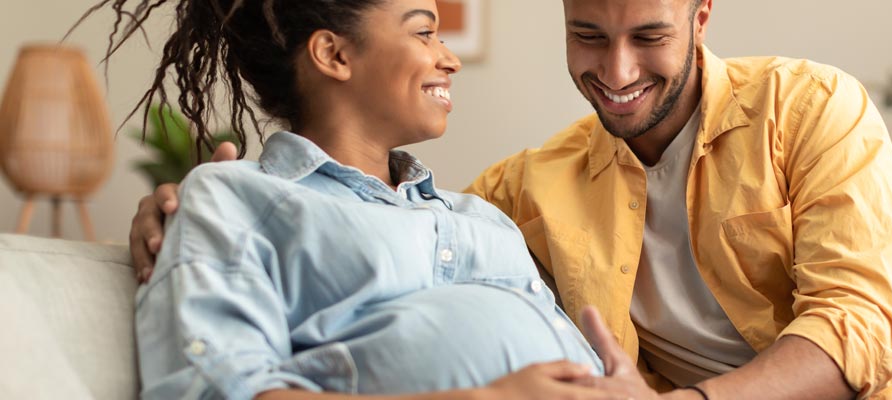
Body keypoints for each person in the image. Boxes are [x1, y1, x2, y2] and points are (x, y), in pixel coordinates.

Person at [131, 0, 892, 399]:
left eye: (648, 35)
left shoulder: (810, 106)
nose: (614, 69)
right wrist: (184, 202)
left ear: (701, 14)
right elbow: (342, 221)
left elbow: (859, 324)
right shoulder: (517, 196)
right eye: (586, 36)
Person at [83, 0, 674, 399]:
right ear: (334, 55)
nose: (450, 56)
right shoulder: (236, 197)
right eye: (423, 31)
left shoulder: (483, 218)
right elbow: (217, 387)